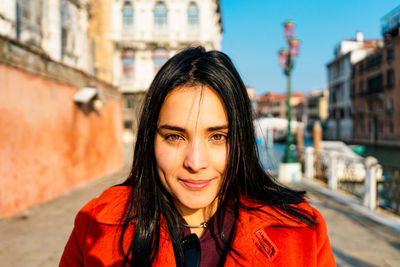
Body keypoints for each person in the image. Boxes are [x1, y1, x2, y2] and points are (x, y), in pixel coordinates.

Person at [60, 47, 336, 267]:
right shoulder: (95, 227)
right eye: (174, 136)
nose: (195, 162)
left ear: (240, 142)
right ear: (149, 141)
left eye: (218, 137)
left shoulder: (301, 234)